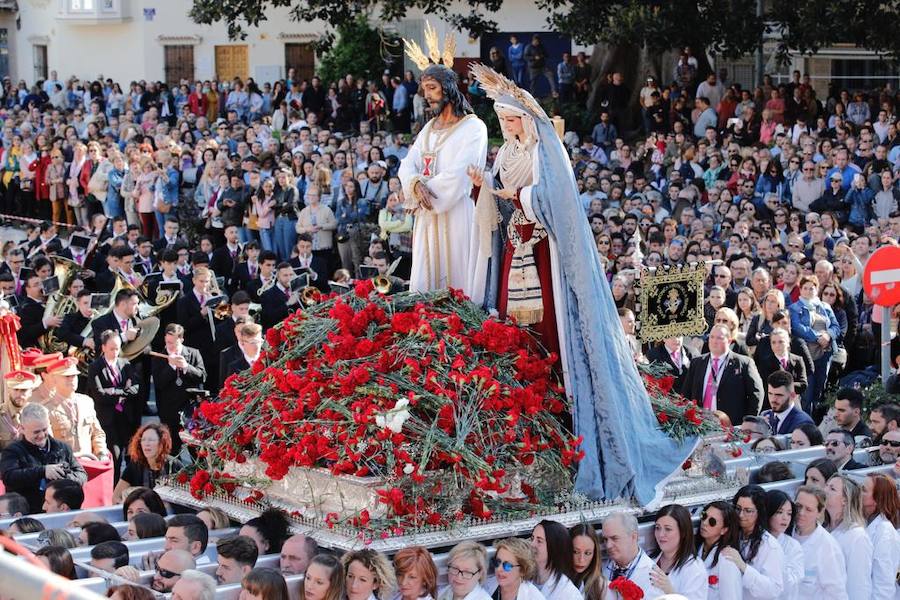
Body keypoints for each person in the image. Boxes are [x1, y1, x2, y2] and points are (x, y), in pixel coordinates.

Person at [469, 63, 695, 507]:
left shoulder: (546, 153)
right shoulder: (507, 155)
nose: (505, 125)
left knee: (552, 339)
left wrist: (514, 198)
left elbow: (557, 204)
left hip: (545, 257)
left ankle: (567, 420)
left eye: (510, 118)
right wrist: (485, 190)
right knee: (516, 338)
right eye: (501, 119)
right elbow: (498, 207)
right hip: (516, 251)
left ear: (527, 119)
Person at [398, 44, 487, 293]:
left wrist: (426, 192)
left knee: (457, 281)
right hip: (427, 216)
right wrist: (415, 184)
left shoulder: (474, 128)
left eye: (432, 88)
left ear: (448, 88)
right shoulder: (429, 128)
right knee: (425, 281)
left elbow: (460, 173)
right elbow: (408, 163)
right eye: (424, 89)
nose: (427, 94)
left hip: (456, 213)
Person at [0, 402, 87, 514]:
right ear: (22, 428)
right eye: (36, 432)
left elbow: (82, 474)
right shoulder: (12, 451)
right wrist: (42, 471)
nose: (41, 435)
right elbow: (9, 477)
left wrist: (63, 479)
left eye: (44, 429)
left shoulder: (62, 448)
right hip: (28, 512)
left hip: (59, 512)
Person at [682, 324, 765, 426]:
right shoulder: (697, 362)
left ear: (729, 341)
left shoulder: (744, 363)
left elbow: (756, 394)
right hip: (701, 425)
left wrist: (747, 423)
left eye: (719, 338)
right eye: (711, 337)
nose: (714, 341)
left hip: (731, 426)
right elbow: (686, 394)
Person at [87, 329, 140, 481]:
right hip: (107, 420)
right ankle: (112, 489)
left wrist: (114, 391)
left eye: (117, 348)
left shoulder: (125, 364)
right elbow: (99, 395)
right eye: (111, 349)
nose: (115, 352)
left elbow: (136, 389)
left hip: (126, 417)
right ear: (103, 348)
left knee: (131, 455)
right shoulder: (95, 367)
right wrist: (123, 392)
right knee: (115, 456)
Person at [150, 323, 206, 453]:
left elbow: (202, 377)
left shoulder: (193, 353)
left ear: (181, 340)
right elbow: (158, 383)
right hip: (168, 410)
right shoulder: (158, 357)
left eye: (174, 343)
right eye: (168, 342)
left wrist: (186, 367)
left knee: (196, 450)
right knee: (172, 449)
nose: (170, 346)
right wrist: (171, 367)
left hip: (190, 408)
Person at [723, 485, 785, 599]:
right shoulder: (732, 534)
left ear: (760, 512)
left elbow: (774, 590)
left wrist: (743, 567)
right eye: (738, 508)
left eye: (748, 511)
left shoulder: (770, 546)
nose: (741, 515)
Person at [789, 274, 840, 412]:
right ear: (800, 290)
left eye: (811, 288)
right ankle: (806, 422)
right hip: (807, 353)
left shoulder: (825, 307)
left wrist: (828, 336)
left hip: (825, 353)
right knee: (808, 391)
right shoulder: (794, 308)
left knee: (820, 388)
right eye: (805, 288)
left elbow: (835, 326)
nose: (808, 291)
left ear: (817, 290)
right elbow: (798, 327)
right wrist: (818, 337)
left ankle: (816, 422)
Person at [44, 356, 109, 461]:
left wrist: (101, 453)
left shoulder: (86, 402)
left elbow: (97, 433)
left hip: (89, 462)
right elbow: (46, 444)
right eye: (67, 376)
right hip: (63, 467)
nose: (72, 379)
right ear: (54, 379)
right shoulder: (46, 409)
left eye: (74, 375)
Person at [792, 486, 848, 598]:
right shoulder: (784, 533)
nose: (801, 513)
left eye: (808, 509)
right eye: (798, 506)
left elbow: (837, 593)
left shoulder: (828, 547)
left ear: (820, 512)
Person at [823, 475, 872, 600]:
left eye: (832, 489)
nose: (824, 490)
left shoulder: (857, 536)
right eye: (826, 486)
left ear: (845, 500)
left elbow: (858, 586)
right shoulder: (822, 528)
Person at [648, 504, 707, 599]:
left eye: (668, 529)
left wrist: (669, 591)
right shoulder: (650, 559)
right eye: (658, 528)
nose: (661, 534)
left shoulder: (694, 569)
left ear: (683, 532)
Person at [114, 423, 182, 502]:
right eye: (143, 440)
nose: (146, 444)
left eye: (151, 440)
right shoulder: (135, 465)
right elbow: (116, 497)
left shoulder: (174, 465)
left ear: (161, 443)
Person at [601, 512, 663, 598]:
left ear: (634, 537)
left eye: (614, 538)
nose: (608, 545)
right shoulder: (602, 567)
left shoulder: (653, 576)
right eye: (605, 539)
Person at [860, 474, 900, 600]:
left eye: (864, 490)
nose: (858, 492)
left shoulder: (885, 532)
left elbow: (883, 585)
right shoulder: (863, 522)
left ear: (877, 499)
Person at [696, 501, 742, 600]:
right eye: (704, 516)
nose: (704, 523)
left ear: (724, 530)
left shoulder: (727, 560)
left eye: (712, 522)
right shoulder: (695, 549)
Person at [764, 490, 803, 600]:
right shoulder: (756, 542)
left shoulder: (793, 546)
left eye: (789, 513)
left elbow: (793, 583)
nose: (785, 518)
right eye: (779, 512)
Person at [529, 520, 580, 600]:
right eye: (532, 539)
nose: (532, 544)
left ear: (554, 547)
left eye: (539, 541)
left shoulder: (568, 593)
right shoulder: (523, 579)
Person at [760, 370, 814, 435]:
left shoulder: (803, 423)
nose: (773, 399)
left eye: (779, 395)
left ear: (792, 396)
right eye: (770, 394)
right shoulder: (764, 416)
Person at [0, 370, 40, 450]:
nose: (19, 395)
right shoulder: (1, 415)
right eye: (15, 389)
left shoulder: (38, 414)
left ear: (30, 392)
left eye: (23, 390)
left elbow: (47, 445)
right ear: (9, 390)